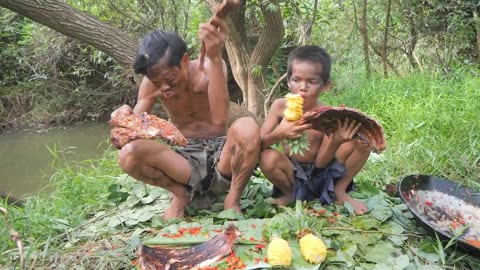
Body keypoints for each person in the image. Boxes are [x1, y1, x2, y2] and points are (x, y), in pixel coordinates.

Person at [111, 16, 260, 219]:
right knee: (128, 154)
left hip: (222, 155)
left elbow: (219, 118)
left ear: (185, 60)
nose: (164, 88)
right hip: (185, 159)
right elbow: (134, 129)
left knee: (247, 126)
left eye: (170, 79)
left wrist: (216, 57)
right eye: (157, 82)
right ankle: (181, 195)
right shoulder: (150, 84)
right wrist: (123, 118)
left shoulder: (211, 67)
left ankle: (231, 199)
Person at [259, 45, 371, 215]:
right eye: (296, 80)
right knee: (266, 156)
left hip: (324, 174)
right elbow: (259, 144)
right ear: (288, 81)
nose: (303, 87)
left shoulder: (328, 114)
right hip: (291, 173)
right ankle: (290, 194)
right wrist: (280, 133)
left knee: (362, 143)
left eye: (311, 81)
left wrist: (335, 141)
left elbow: (321, 163)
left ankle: (339, 191)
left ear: (325, 86)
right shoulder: (279, 106)